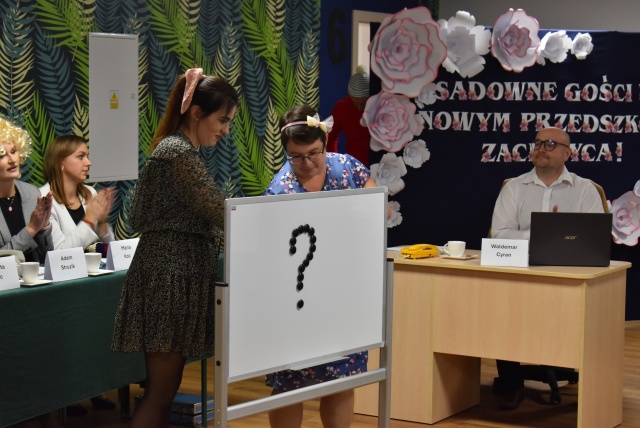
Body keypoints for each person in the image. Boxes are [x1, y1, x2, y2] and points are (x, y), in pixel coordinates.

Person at [111, 68, 238, 427]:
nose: (226, 130)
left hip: (176, 277)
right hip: (168, 280)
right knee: (160, 394)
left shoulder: (180, 150)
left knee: (165, 392)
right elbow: (219, 210)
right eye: (222, 120)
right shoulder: (177, 152)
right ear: (196, 112)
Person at [263, 105, 381, 428]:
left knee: (341, 379)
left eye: (314, 153)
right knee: (290, 384)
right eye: (296, 156)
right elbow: (272, 253)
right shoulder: (280, 189)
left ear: (325, 142)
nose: (307, 163)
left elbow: (380, 209)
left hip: (344, 295)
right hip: (298, 299)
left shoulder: (347, 168)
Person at [490, 127, 604, 410]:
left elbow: (595, 238)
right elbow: (499, 234)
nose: (541, 148)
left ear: (567, 153)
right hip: (521, 273)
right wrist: (542, 234)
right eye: (538, 143)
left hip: (569, 276)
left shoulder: (585, 190)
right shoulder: (514, 187)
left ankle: (592, 386)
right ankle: (511, 383)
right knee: (499, 306)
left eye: (550, 144)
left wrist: (555, 237)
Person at [40, 134, 116, 415]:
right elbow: (61, 252)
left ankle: (95, 388)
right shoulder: (44, 198)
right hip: (61, 286)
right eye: (81, 156)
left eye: (87, 156)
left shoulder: (89, 194)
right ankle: (68, 397)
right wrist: (90, 218)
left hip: (92, 280)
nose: (88, 162)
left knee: (98, 333)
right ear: (61, 162)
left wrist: (103, 221)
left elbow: (108, 243)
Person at [0, 117, 53, 262]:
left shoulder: (32, 193)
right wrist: (31, 229)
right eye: (2, 155)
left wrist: (44, 226)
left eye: (13, 151)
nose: (12, 160)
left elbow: (46, 256)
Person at [326, 66, 371, 166]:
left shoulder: (380, 107)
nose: (359, 108)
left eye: (364, 103)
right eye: (355, 103)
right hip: (353, 166)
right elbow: (330, 137)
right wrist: (334, 162)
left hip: (379, 166)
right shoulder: (342, 107)